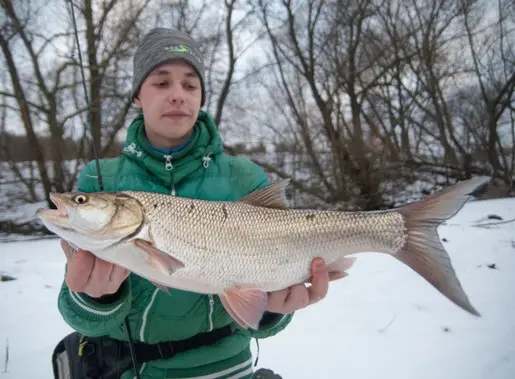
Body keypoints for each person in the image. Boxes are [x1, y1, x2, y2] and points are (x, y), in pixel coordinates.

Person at [56, 27, 330, 379]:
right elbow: (80, 315)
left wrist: (275, 311)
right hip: (134, 370)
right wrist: (95, 300)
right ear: (137, 95)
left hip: (231, 368)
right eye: (161, 82)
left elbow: (261, 316)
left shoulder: (244, 176)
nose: (177, 95)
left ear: (201, 96)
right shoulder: (100, 179)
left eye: (190, 84)